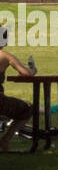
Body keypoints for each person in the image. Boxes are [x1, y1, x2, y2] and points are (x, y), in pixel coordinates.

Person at [0, 24, 35, 152]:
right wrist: (33, 69)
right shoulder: (5, 56)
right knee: (28, 108)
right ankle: (5, 139)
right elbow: (27, 73)